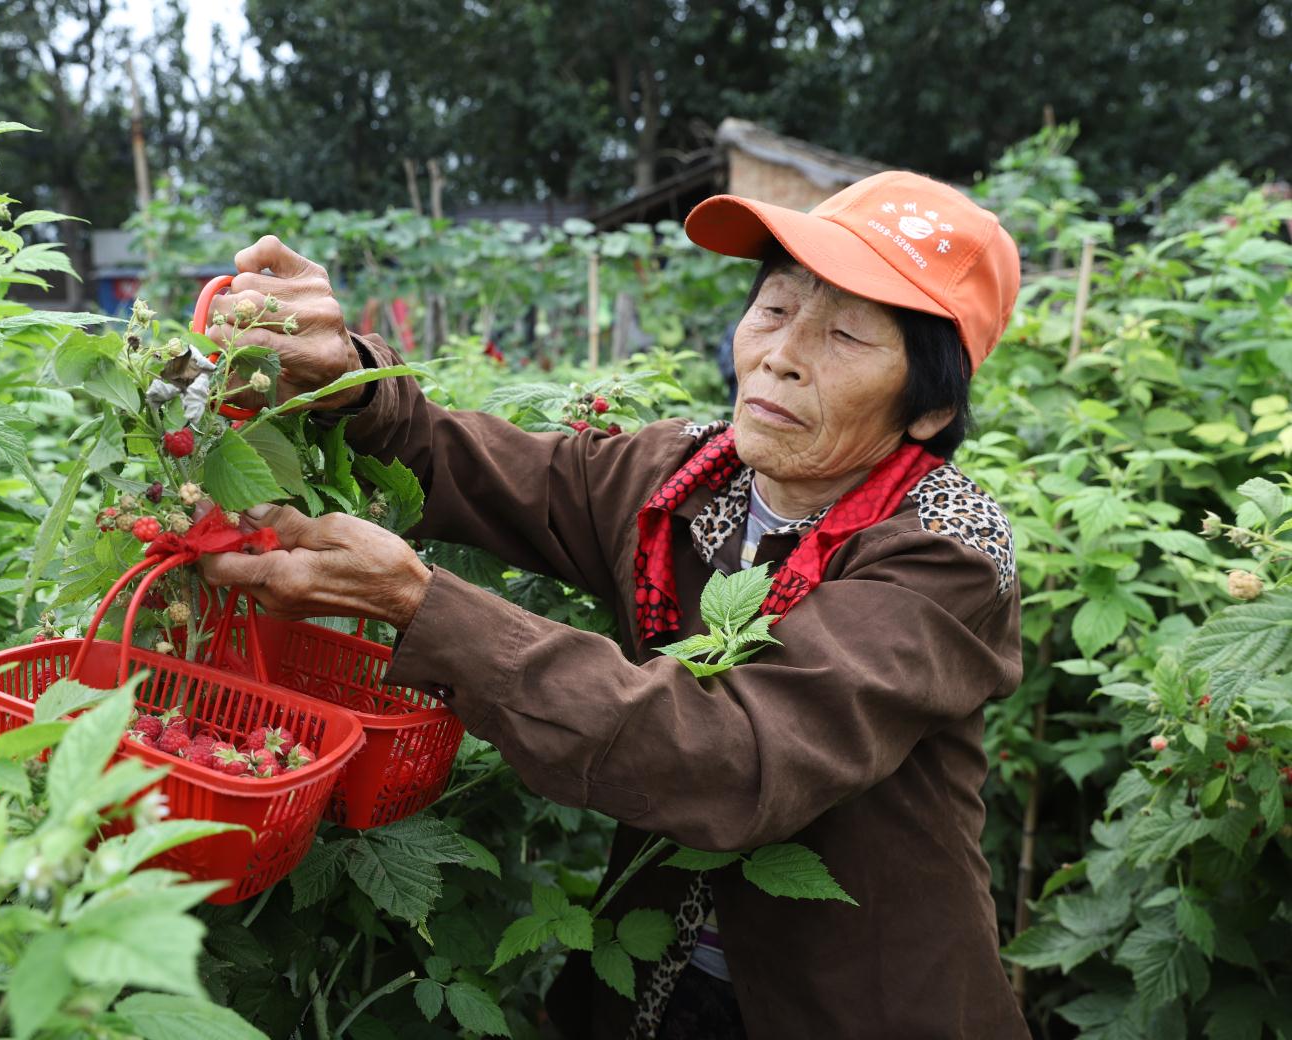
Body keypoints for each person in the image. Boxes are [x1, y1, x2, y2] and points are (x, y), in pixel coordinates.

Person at [200, 170, 1030, 1039]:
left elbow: (738, 758)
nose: (781, 354)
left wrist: (423, 606)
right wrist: (349, 379)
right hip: (657, 985)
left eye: (847, 336)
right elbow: (469, 465)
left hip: (860, 1006)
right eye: (776, 308)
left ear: (930, 408)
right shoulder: (684, 473)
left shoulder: (948, 550)